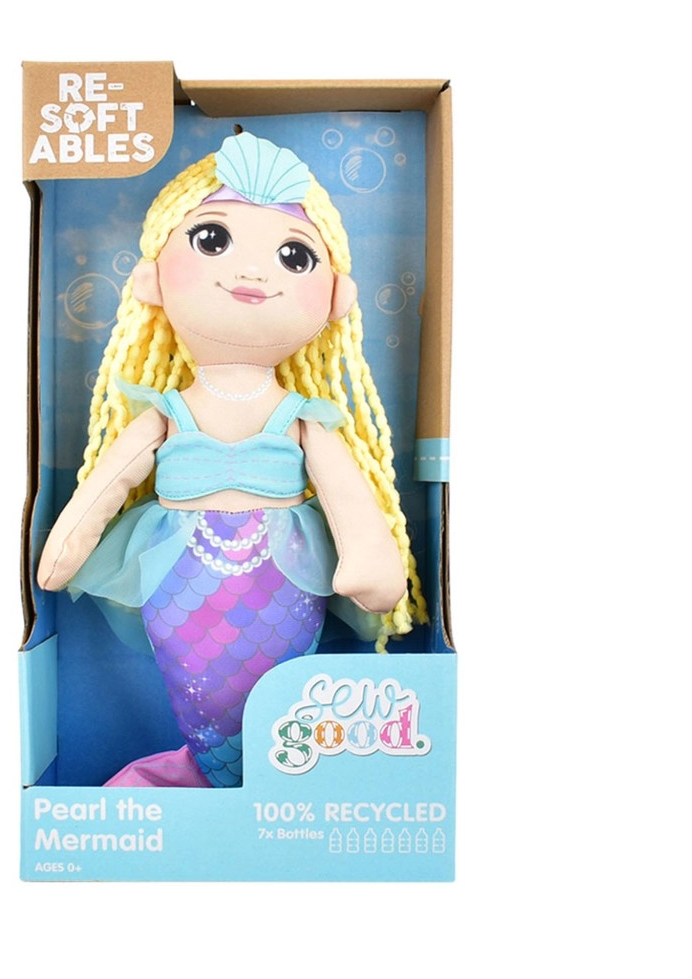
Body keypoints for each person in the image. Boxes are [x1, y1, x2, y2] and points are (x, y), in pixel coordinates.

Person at [37, 131, 426, 787]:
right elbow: (111, 480)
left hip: (286, 578)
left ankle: (257, 781)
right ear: (152, 280)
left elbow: (347, 496)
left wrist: (369, 558)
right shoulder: (166, 411)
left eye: (294, 256)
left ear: (337, 297)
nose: (252, 273)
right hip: (177, 574)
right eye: (213, 240)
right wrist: (68, 543)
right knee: (201, 695)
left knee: (274, 694)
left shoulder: (301, 418)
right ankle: (211, 774)